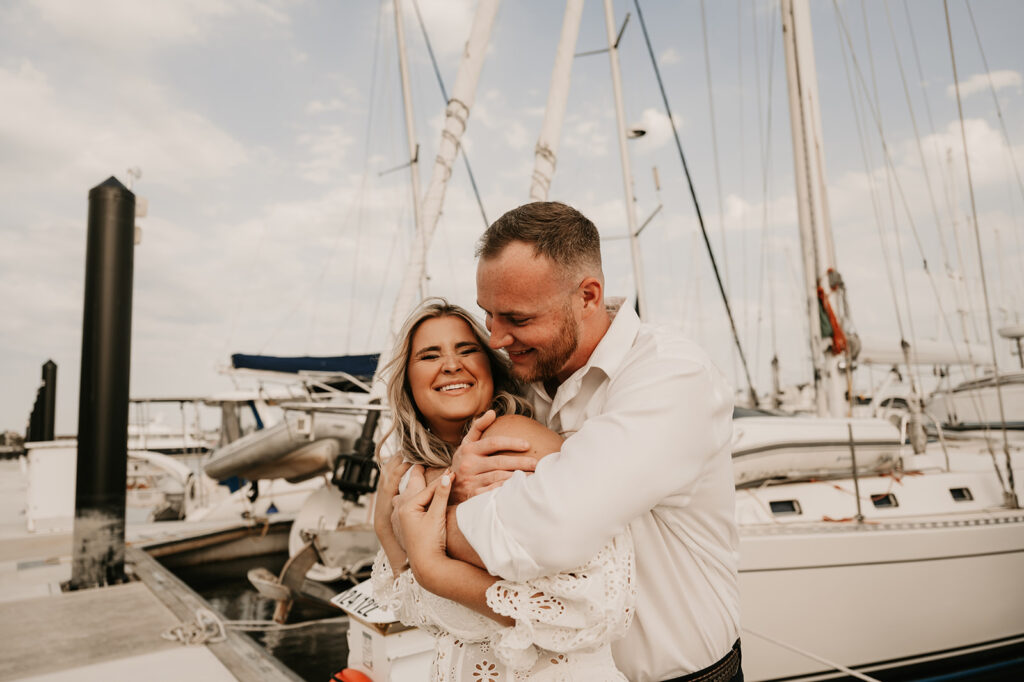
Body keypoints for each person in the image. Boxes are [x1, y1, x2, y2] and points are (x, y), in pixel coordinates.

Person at [416, 202, 741, 682]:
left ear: (588, 296)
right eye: (488, 315)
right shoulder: (518, 379)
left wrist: (425, 530)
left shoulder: (671, 377)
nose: (497, 338)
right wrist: (439, 478)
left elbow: (551, 528)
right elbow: (422, 437)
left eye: (517, 318)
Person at [372, 298, 637, 680]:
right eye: (430, 355)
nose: (451, 364)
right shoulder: (413, 475)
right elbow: (420, 611)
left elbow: (594, 605)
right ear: (407, 382)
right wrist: (385, 524)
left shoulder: (510, 440)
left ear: (490, 368)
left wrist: (432, 566)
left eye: (467, 350)